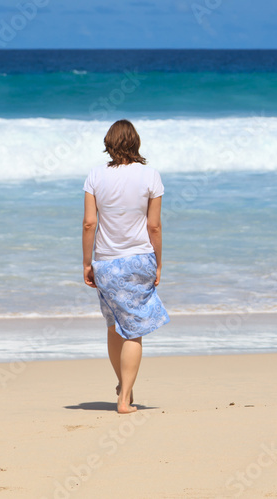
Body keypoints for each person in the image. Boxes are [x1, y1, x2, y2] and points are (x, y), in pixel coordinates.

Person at [82, 119, 169, 414]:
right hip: (138, 259)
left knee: (113, 327)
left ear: (109, 142)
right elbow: (154, 226)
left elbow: (89, 223)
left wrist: (86, 263)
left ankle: (123, 387)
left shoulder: (95, 176)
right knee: (133, 331)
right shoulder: (150, 176)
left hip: (105, 262)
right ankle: (124, 399)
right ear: (136, 142)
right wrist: (158, 263)